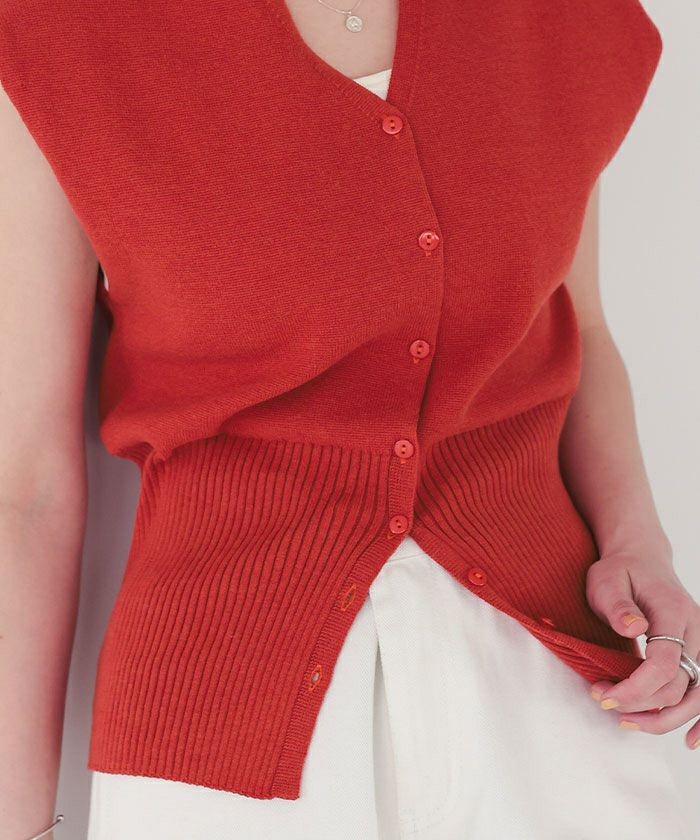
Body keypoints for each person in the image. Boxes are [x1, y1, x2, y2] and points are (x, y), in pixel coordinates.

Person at [0, 1, 696, 838]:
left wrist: (640, 547)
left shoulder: (553, 18)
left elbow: (578, 328)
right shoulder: (57, 35)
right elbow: (26, 489)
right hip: (216, 722)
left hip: (563, 702)